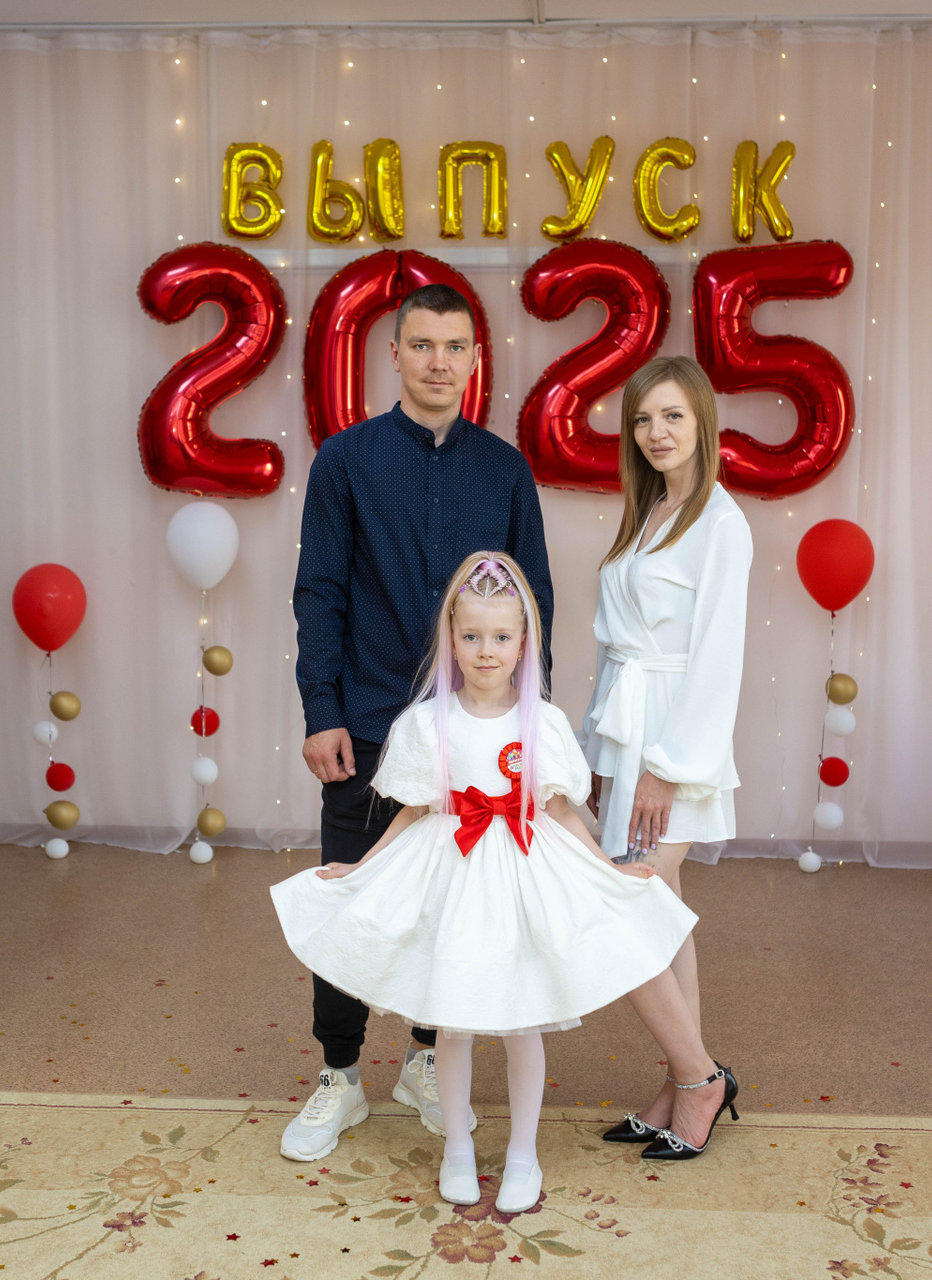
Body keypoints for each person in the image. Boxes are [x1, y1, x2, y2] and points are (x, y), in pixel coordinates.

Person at [273, 552, 712, 1210]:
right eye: (472, 636)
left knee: (520, 1023)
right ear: (450, 639)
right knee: (454, 1025)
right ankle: (457, 1148)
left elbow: (559, 810)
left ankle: (522, 1155)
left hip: (522, 880)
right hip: (452, 877)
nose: (486, 651)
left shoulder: (544, 722)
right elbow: (412, 811)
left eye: (502, 636)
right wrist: (361, 870)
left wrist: (607, 869)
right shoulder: (427, 723)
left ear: (524, 642)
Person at [285, 284, 554, 1162]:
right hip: (367, 722)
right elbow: (319, 593)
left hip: (473, 733)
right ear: (395, 354)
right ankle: (339, 1075)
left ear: (476, 359)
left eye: (456, 346)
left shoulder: (505, 470)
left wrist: (527, 727)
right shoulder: (345, 463)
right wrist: (322, 710)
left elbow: (534, 604)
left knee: (456, 909)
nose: (440, 361)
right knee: (353, 899)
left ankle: (429, 1062)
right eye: (424, 344)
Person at [581, 355, 754, 1157]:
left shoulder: (721, 522)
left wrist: (666, 766)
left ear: (702, 422)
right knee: (663, 917)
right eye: (645, 419)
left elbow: (717, 659)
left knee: (625, 906)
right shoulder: (648, 512)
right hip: (629, 734)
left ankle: (699, 1078)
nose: (657, 432)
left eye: (673, 416)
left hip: (677, 740)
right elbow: (616, 650)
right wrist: (601, 753)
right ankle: (683, 1081)